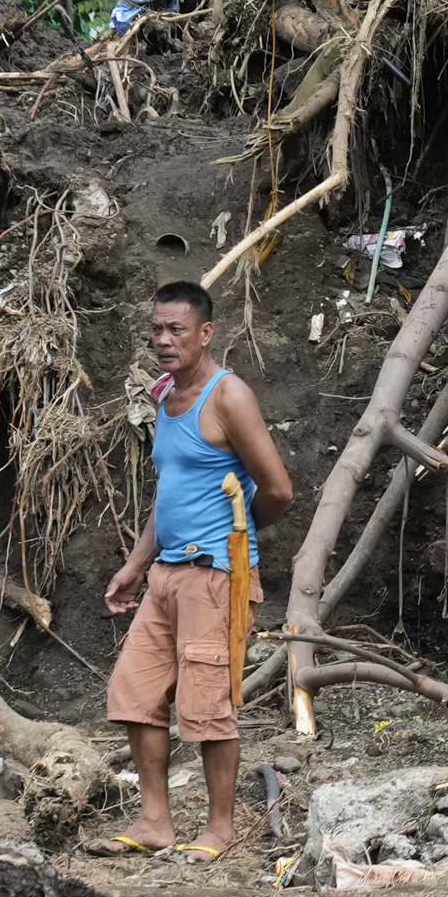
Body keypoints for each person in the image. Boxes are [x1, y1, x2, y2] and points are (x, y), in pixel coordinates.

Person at [97, 281, 294, 859]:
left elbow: (279, 491)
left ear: (205, 333)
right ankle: (155, 822)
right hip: (165, 576)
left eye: (176, 329)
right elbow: (170, 492)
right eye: (156, 329)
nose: (163, 340)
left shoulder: (227, 395)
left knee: (206, 708)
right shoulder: (165, 396)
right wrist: (136, 565)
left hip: (215, 576)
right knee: (134, 695)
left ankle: (220, 831)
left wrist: (236, 534)